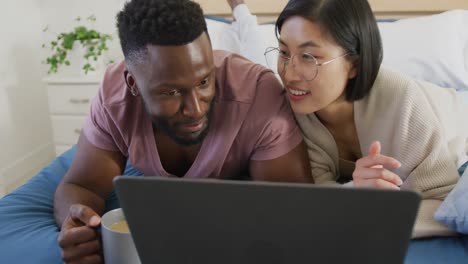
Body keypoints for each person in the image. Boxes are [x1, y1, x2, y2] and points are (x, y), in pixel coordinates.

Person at [53, 0, 312, 262]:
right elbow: (81, 185)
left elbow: (289, 211)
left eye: (204, 81)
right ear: (132, 83)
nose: (195, 109)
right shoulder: (113, 99)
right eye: (171, 91)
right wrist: (76, 225)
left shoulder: (260, 97)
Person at [261, 0, 468, 239]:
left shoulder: (402, 100)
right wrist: (354, 196)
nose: (289, 73)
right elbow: (318, 195)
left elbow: (442, 203)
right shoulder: (291, 109)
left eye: (309, 57)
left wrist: (369, 219)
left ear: (354, 65)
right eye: (284, 52)